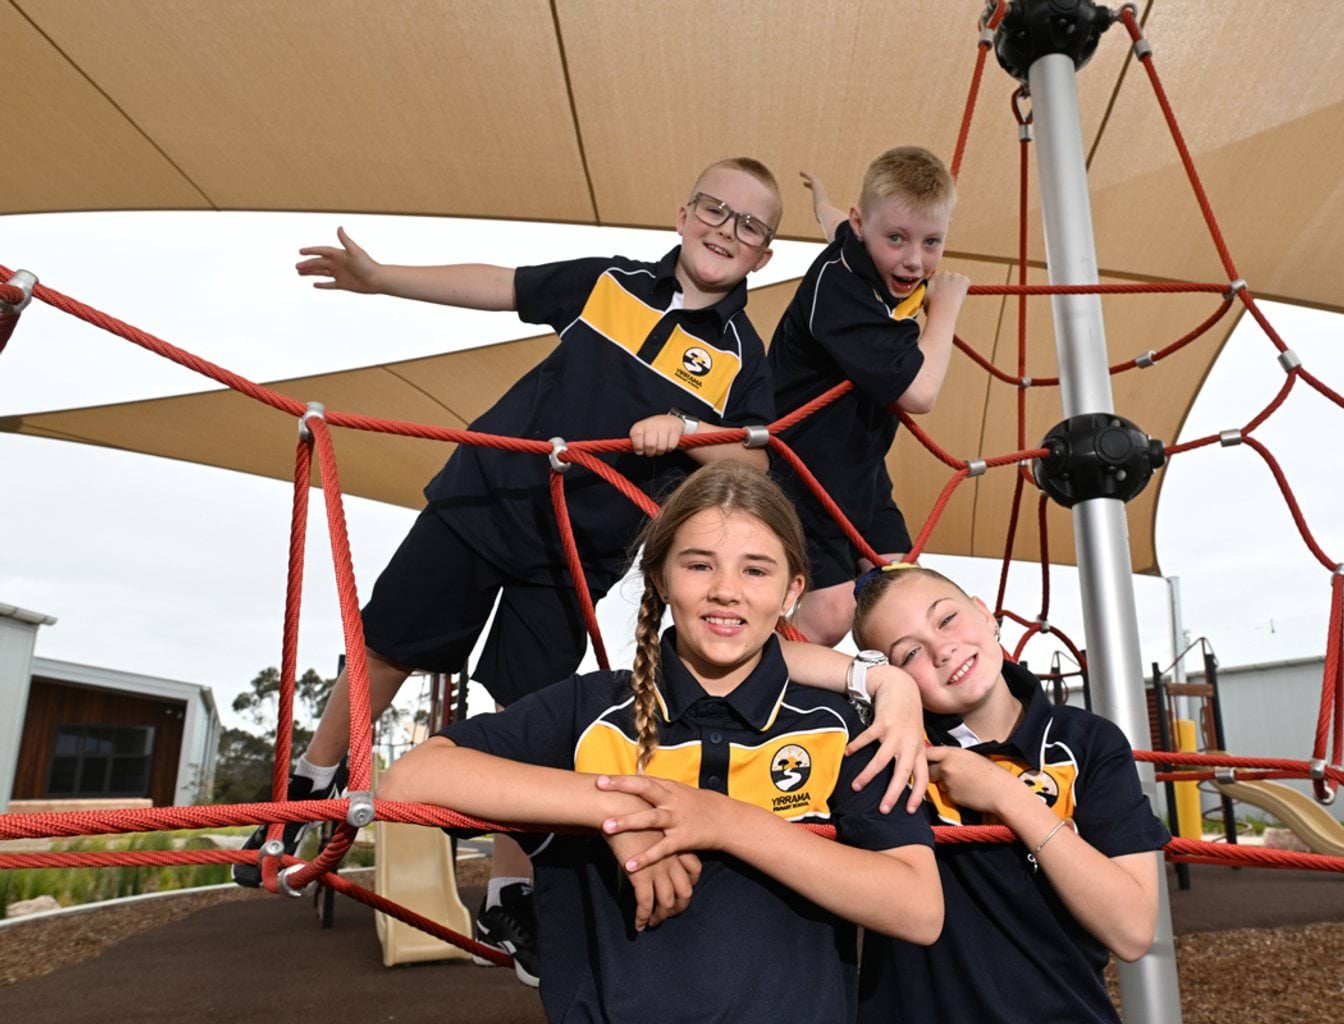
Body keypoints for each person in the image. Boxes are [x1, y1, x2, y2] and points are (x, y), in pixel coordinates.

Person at [235, 159, 786, 986]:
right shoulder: (611, 282)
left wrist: (688, 428)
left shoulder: (744, 354)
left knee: (533, 711)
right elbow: (505, 285)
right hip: (486, 492)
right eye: (716, 209)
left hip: (576, 546)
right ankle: (302, 797)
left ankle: (510, 888)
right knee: (387, 645)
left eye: (750, 226)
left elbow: (758, 456)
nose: (726, 230)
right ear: (684, 213)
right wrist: (383, 278)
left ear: (764, 256)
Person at [378, 462, 942, 1022]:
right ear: (660, 578)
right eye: (699, 565)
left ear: (793, 590)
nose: (726, 591)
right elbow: (410, 779)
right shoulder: (592, 712)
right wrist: (621, 812)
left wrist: (721, 821)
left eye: (756, 571)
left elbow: (917, 909)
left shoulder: (837, 724)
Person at [849, 564, 1169, 1024]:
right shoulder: (886, 751)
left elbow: (1133, 929)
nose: (942, 649)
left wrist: (1005, 795)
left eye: (945, 619)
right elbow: (778, 658)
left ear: (985, 613)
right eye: (910, 654)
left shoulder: (1088, 743)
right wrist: (880, 687)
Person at [768, 146, 971, 646]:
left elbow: (833, 222)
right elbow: (919, 393)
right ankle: (746, 691)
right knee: (834, 611)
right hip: (800, 471)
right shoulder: (840, 291)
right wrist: (943, 310)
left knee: (904, 589)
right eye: (896, 239)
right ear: (863, 225)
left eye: (931, 242)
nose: (914, 260)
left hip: (859, 469)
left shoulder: (856, 241)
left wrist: (822, 202)